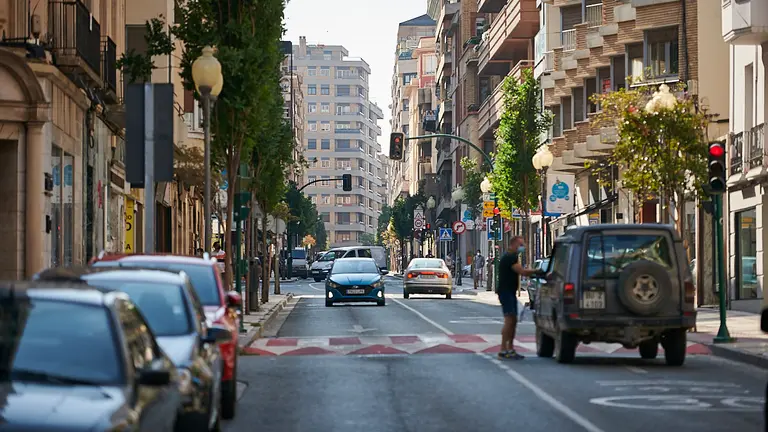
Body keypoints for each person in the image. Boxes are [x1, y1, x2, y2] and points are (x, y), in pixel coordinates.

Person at [497, 236, 541, 360]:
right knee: (509, 320)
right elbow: (522, 272)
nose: (523, 247)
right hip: (506, 293)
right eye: (521, 244)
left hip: (509, 292)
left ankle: (509, 348)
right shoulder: (509, 257)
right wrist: (538, 271)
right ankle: (503, 349)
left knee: (513, 321)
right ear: (514, 244)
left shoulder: (511, 256)